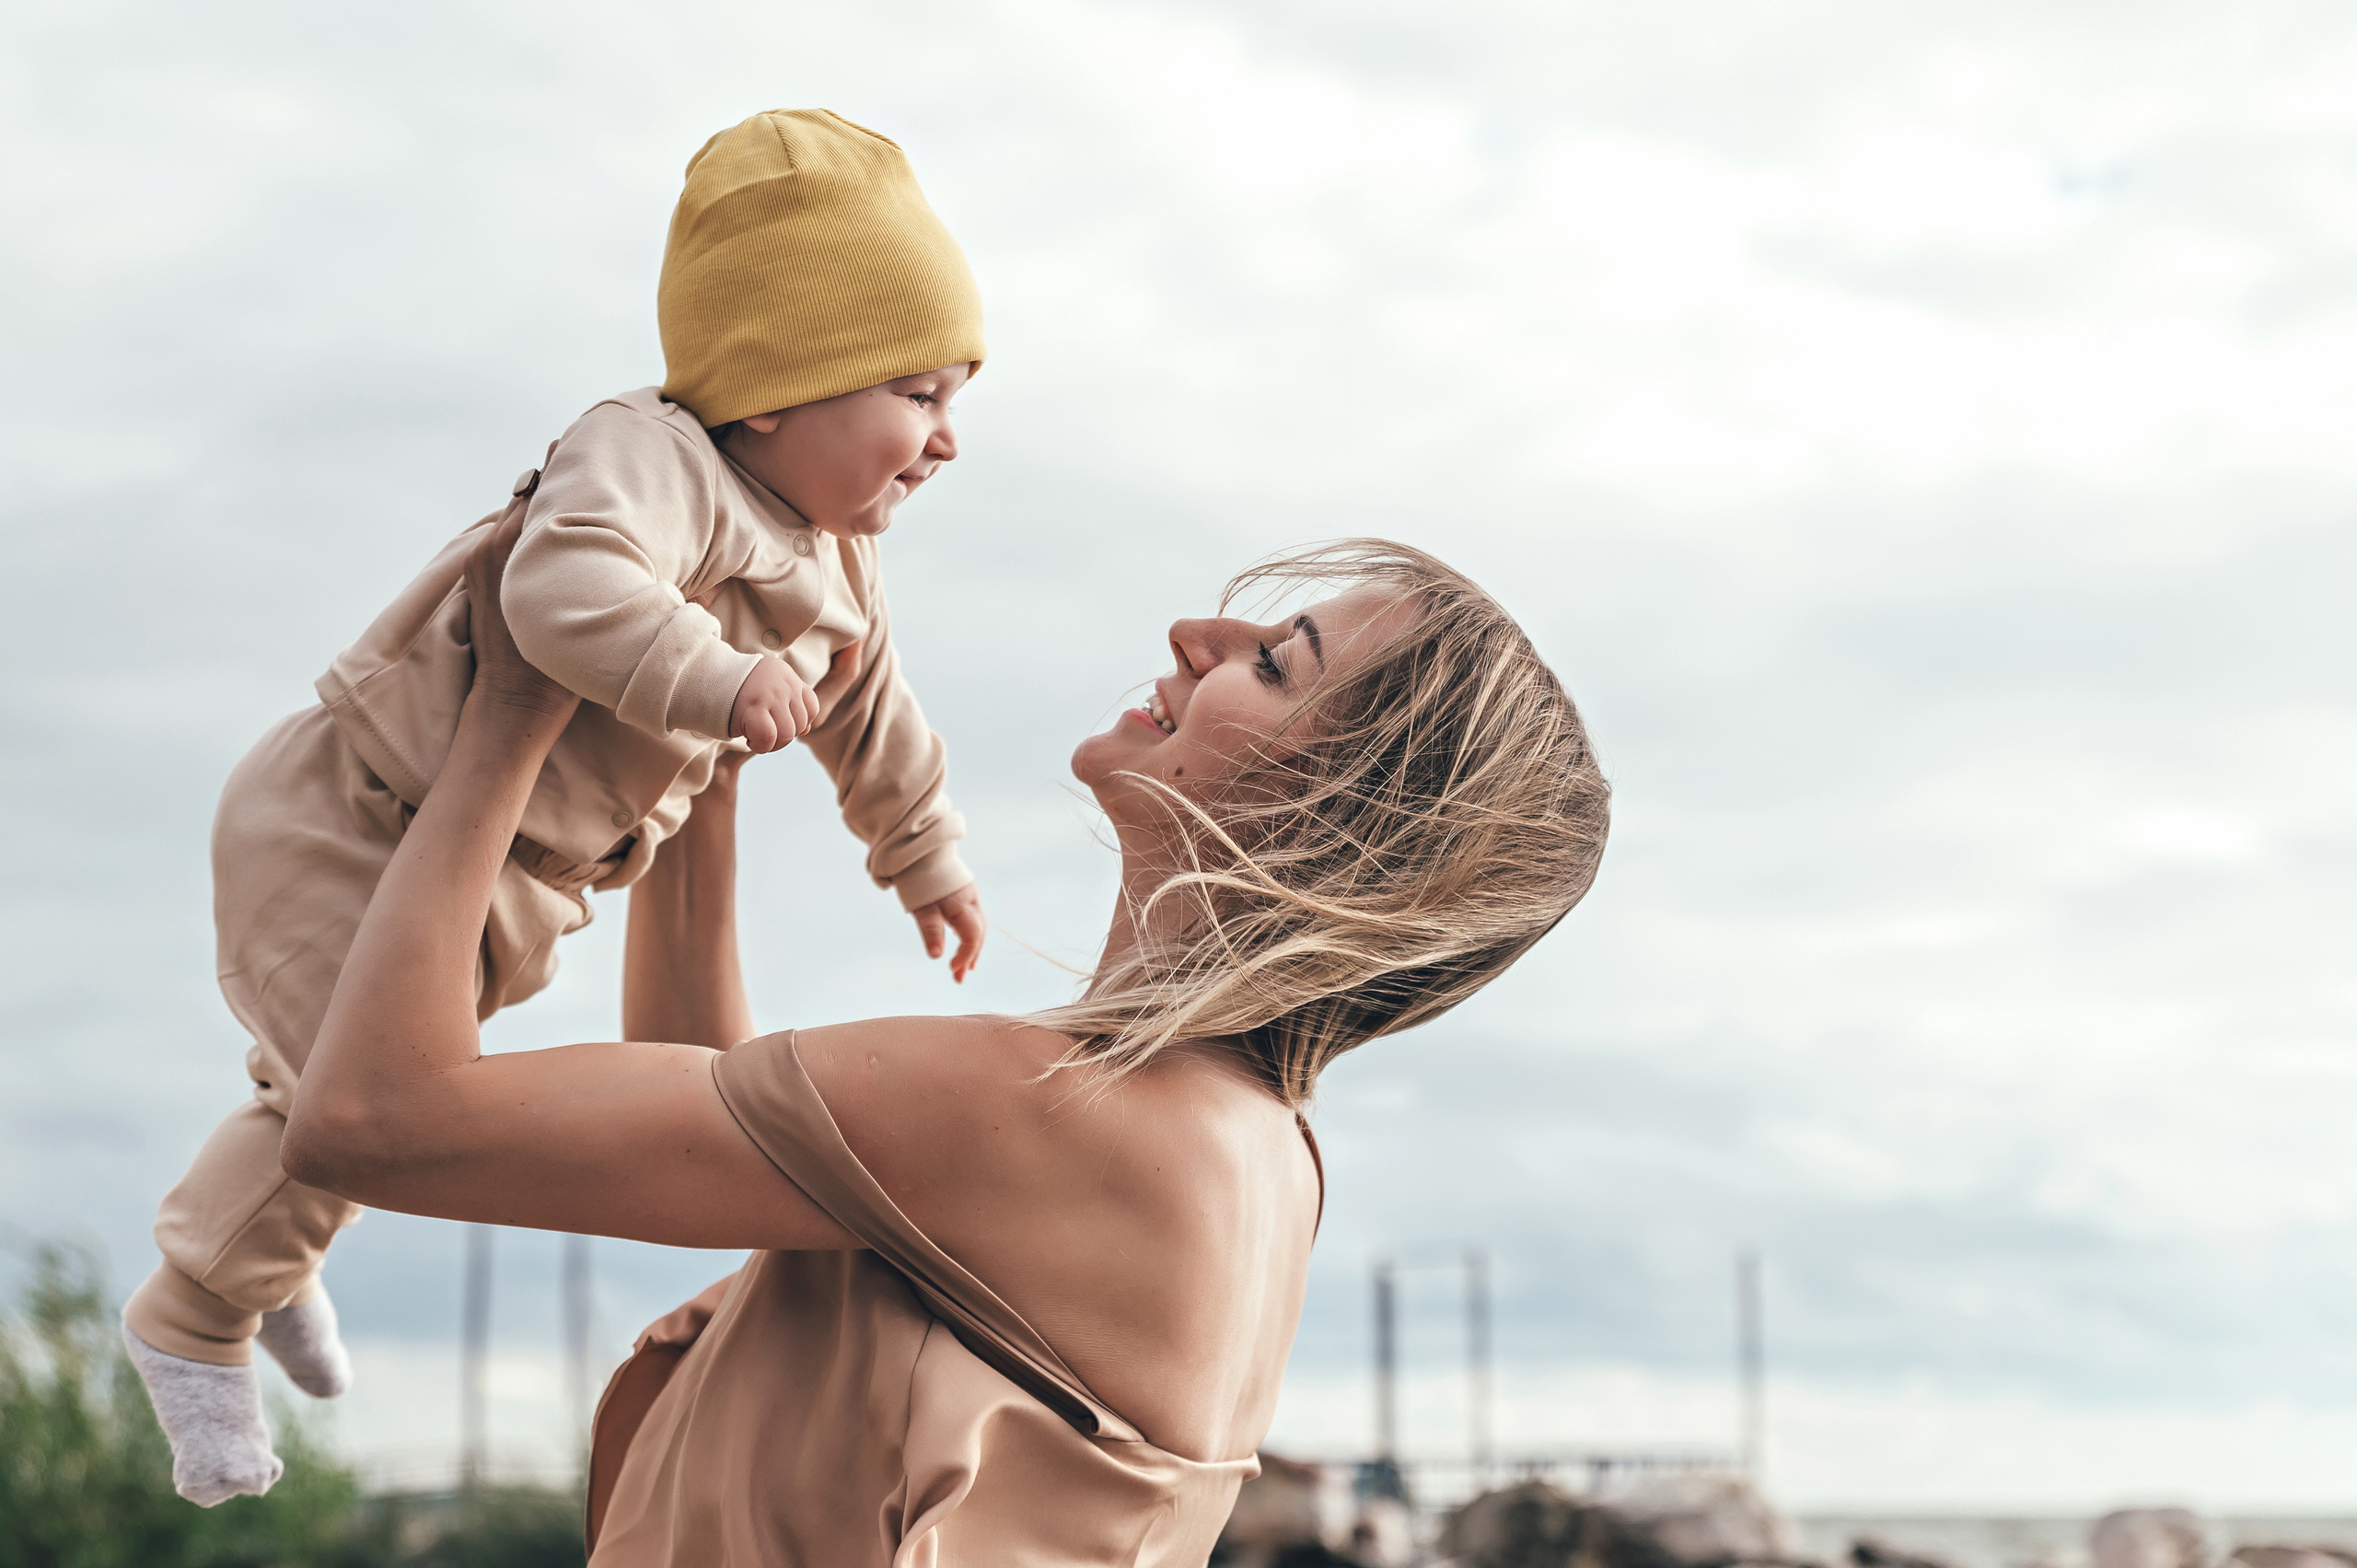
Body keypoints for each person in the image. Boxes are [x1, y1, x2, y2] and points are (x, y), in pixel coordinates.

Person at [281, 522, 1613, 1565]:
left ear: (1335, 816)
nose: (1200, 634)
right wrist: (710, 760)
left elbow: (374, 1119)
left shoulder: (1062, 1113)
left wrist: (520, 701)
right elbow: (723, 1126)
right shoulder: (1251, 1154)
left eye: (1274, 664)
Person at [123, 108, 992, 1504]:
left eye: (959, 399)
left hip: (497, 878)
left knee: (347, 1094)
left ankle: (263, 1253)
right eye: (920, 394)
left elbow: (878, 719)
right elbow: (564, 588)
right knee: (364, 1102)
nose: (948, 440)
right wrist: (711, 678)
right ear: (777, 385)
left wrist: (924, 855)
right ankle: (193, 1313)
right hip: (355, 826)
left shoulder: (839, 563)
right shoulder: (650, 458)